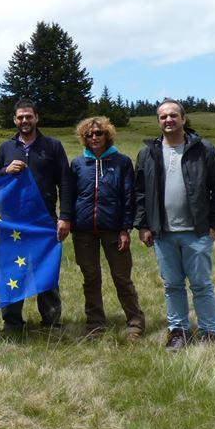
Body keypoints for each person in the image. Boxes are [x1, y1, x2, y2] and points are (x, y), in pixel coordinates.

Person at [135, 99, 215, 350]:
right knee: (172, 285)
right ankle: (179, 332)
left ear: (183, 119)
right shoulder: (148, 153)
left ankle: (210, 331)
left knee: (201, 284)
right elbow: (140, 194)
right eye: (163, 116)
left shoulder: (204, 150)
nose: (168, 120)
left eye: (173, 115)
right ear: (158, 121)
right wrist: (144, 225)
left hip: (197, 232)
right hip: (163, 234)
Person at [0, 99, 73, 332]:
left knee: (45, 272)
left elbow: (65, 183)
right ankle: (12, 322)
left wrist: (65, 217)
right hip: (10, 224)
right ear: (14, 120)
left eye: (29, 116)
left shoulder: (53, 146)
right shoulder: (6, 148)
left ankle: (51, 321)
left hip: (44, 222)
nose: (24, 121)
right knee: (11, 272)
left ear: (37, 118)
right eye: (20, 117)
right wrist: (5, 171)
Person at [70, 116, 145, 339]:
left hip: (114, 230)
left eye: (99, 133)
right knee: (90, 279)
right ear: (84, 138)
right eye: (89, 134)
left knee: (122, 277)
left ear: (108, 135)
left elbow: (128, 196)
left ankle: (135, 322)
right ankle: (95, 324)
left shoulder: (121, 162)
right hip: (83, 231)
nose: (94, 137)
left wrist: (125, 228)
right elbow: (70, 195)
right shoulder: (77, 164)